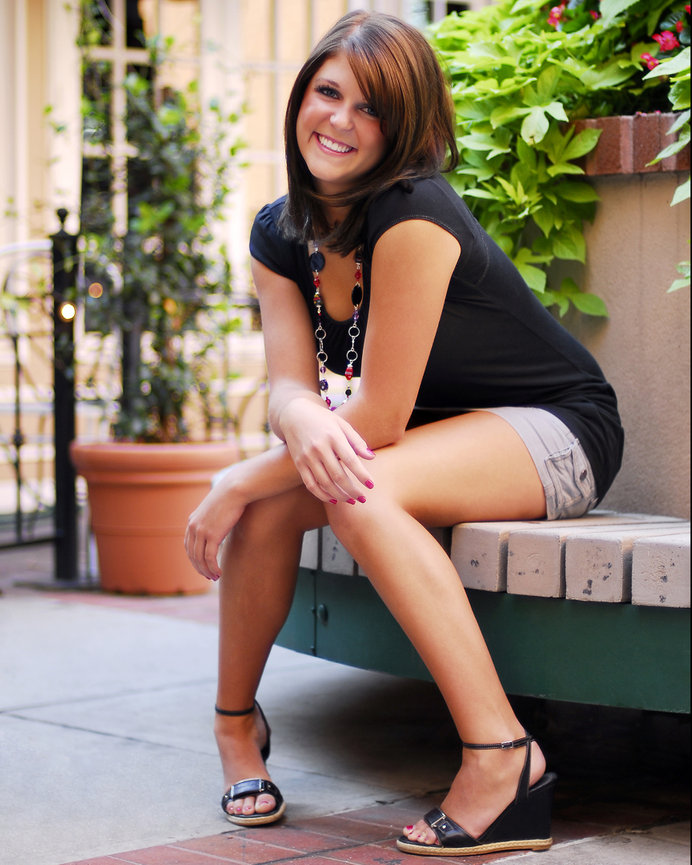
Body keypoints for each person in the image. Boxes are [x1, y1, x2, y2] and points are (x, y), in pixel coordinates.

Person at [184, 9, 624, 857]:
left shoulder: (413, 212)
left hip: (555, 432)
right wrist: (294, 421)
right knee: (279, 507)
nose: (341, 121)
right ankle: (236, 729)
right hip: (440, 438)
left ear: (406, 127)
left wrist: (239, 475)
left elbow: (378, 423)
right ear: (301, 97)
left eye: (373, 107)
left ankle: (503, 758)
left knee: (352, 487)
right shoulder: (281, 232)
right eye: (328, 92)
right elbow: (287, 383)